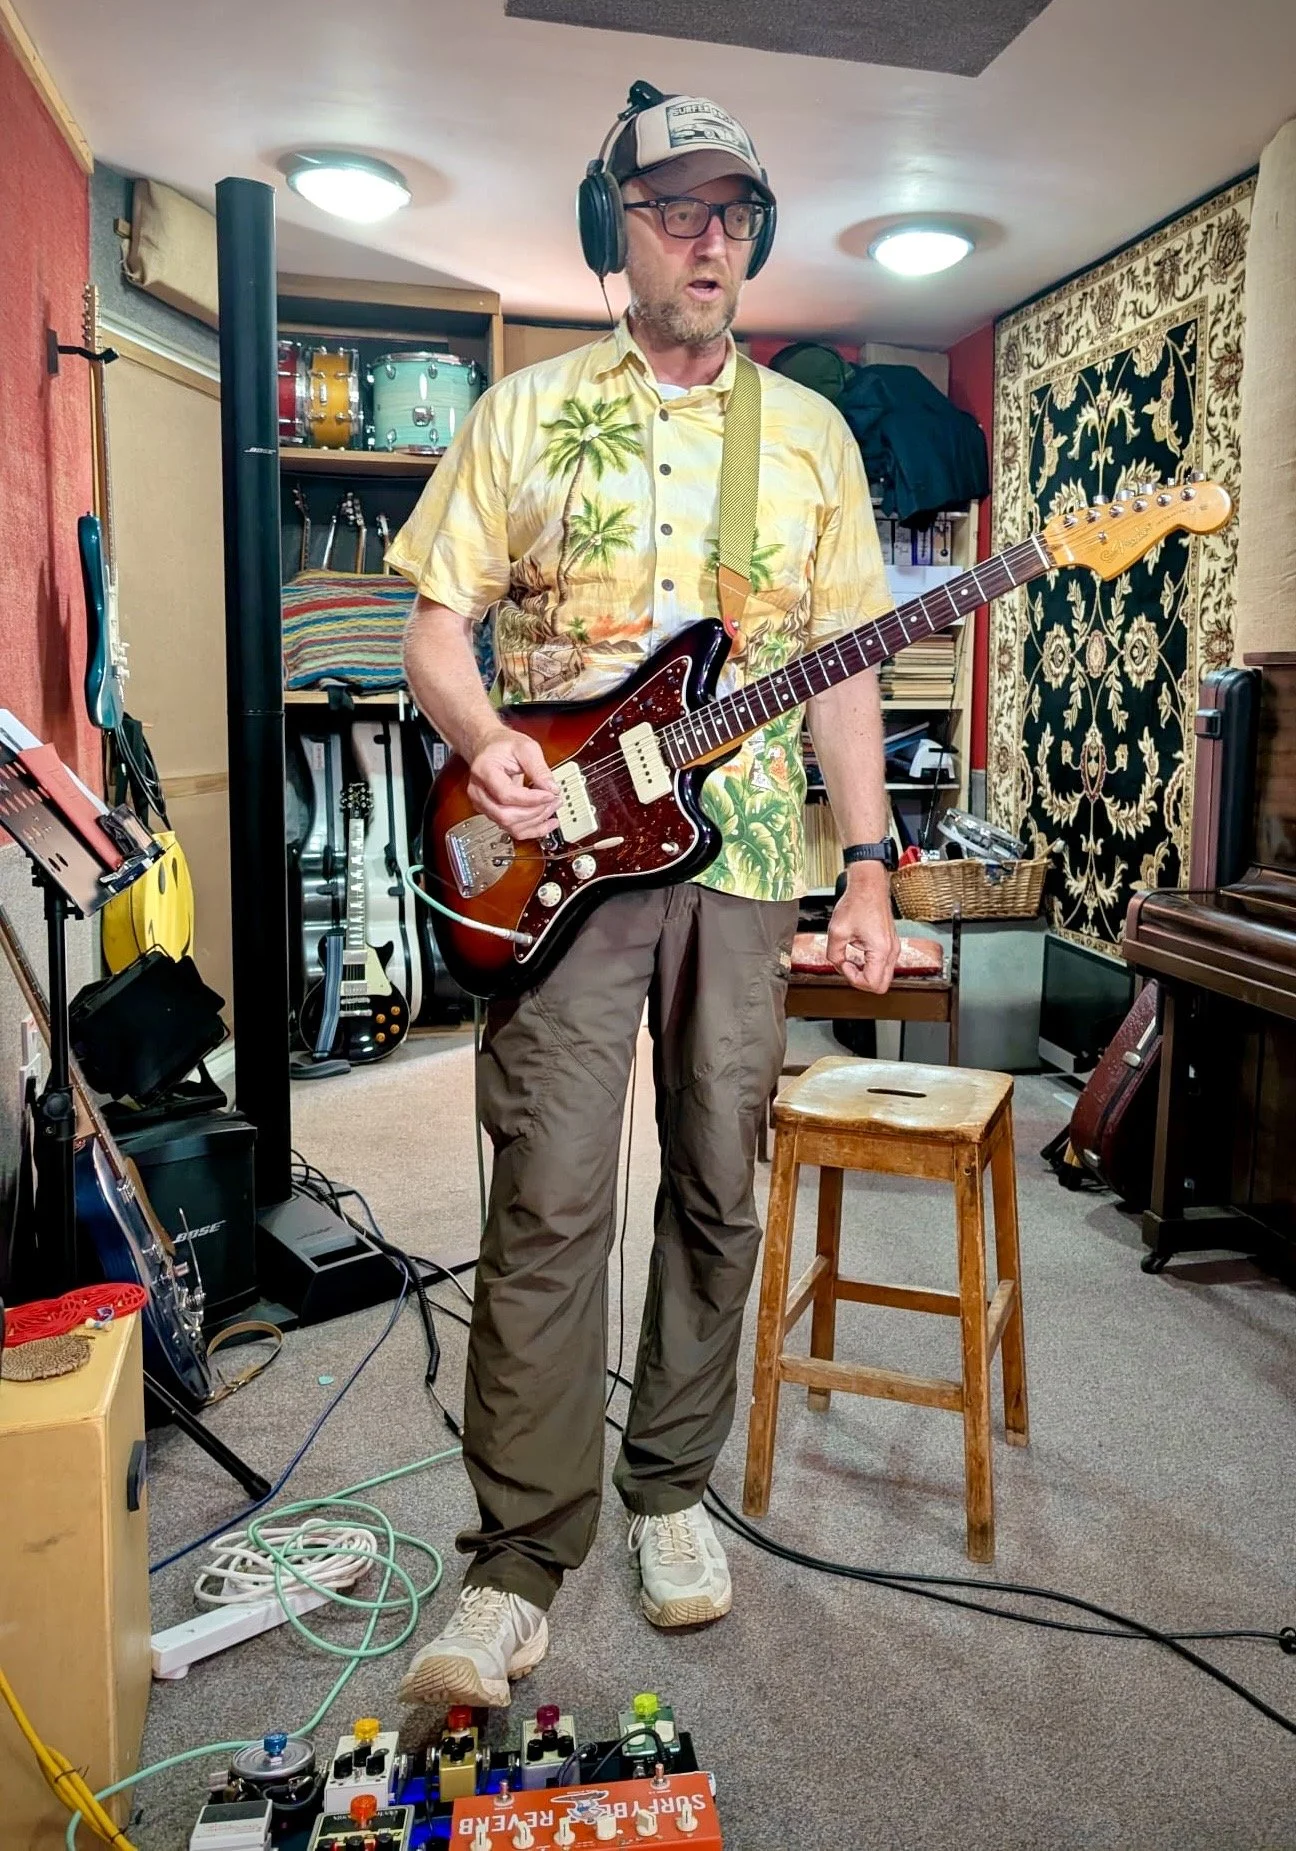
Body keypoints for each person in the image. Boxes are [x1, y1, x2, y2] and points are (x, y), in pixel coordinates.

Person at [387, 82, 898, 1711]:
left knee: (719, 1185)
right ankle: (520, 1552)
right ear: (614, 228)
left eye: (731, 213)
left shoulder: (810, 438)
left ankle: (669, 1484)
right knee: (548, 1194)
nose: (707, 239)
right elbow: (433, 627)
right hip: (562, 867)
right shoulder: (524, 412)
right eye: (675, 209)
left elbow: (844, 673)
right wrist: (486, 741)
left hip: (741, 870)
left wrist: (867, 863)